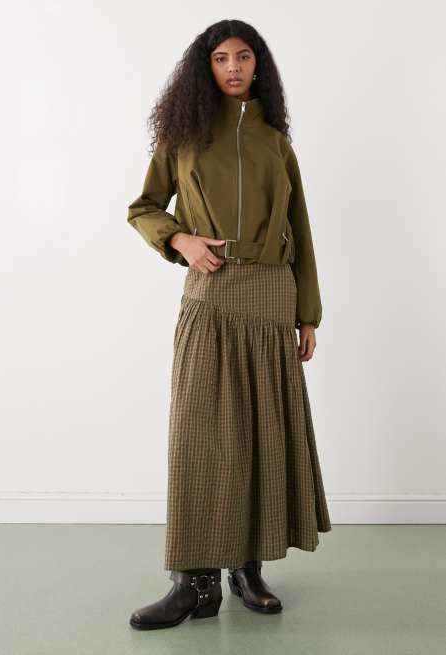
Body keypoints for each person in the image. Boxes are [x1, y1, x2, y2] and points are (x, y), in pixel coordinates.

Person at [126, 18, 332, 631]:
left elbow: (302, 231)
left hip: (270, 295)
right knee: (199, 436)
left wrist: (307, 314)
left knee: (261, 437)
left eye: (243, 56)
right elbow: (143, 208)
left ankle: (247, 568)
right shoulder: (182, 136)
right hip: (211, 293)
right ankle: (193, 583)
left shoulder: (275, 140)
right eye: (221, 58)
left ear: (257, 64)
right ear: (206, 67)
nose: (234, 67)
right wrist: (180, 240)